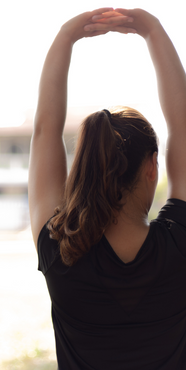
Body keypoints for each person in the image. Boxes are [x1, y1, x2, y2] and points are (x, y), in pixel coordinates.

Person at [28, 7, 186, 370]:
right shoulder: (180, 243)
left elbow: (44, 131)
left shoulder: (59, 249)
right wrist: (153, 29)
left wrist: (67, 36)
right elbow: (183, 125)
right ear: (151, 167)